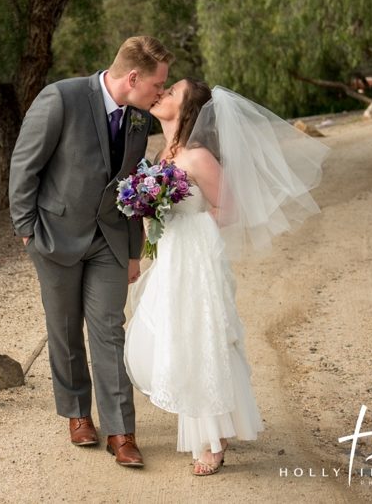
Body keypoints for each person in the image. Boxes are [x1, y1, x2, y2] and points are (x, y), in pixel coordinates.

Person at [123, 79, 329, 475]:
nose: (162, 93)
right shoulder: (163, 153)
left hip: (195, 257)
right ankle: (215, 419)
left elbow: (229, 210)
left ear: (188, 110)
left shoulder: (198, 157)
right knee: (163, 335)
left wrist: (186, 228)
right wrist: (153, 212)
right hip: (169, 256)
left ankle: (212, 438)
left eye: (173, 92)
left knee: (201, 336)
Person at [9, 35, 173, 467]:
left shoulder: (139, 118)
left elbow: (135, 184)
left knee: (109, 330)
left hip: (110, 241)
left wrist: (135, 250)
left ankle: (122, 431)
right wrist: (28, 231)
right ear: (133, 77)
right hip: (54, 236)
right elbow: (25, 166)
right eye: (157, 85)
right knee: (64, 329)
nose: (160, 93)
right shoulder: (60, 98)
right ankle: (78, 413)